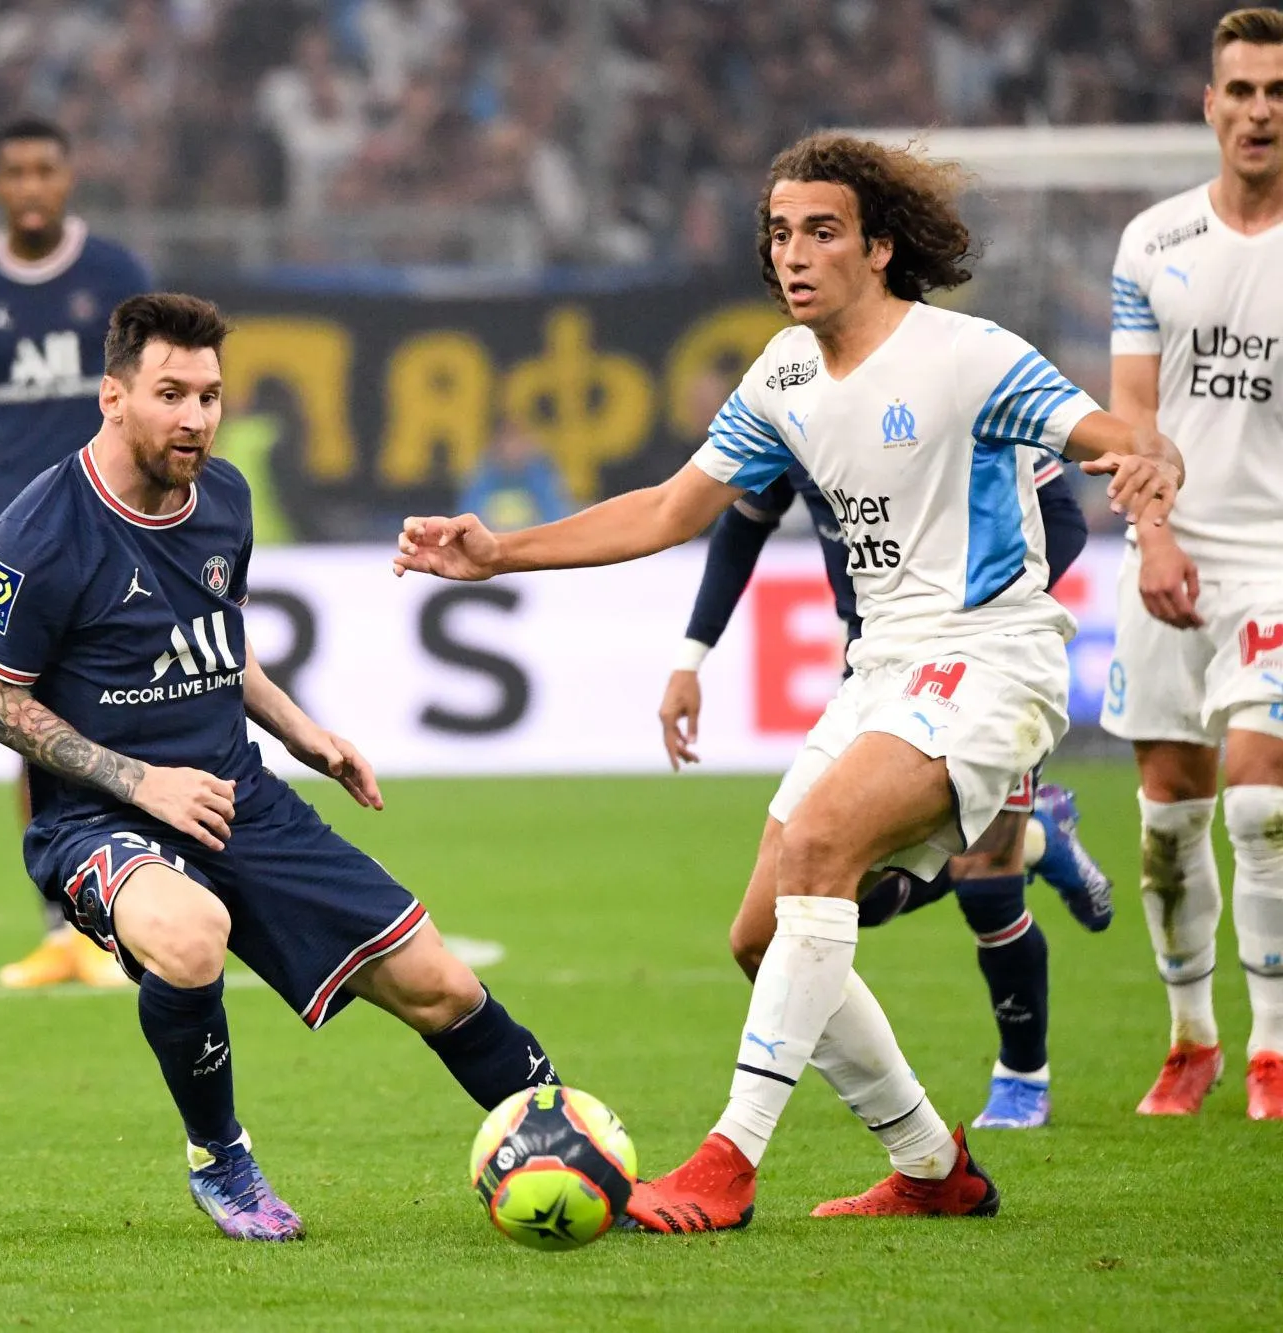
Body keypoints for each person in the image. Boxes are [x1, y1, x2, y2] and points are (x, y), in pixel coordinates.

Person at [395, 132, 1183, 1231]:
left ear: (876, 245)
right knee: (760, 935)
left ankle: (728, 1159)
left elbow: (1106, 435)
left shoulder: (968, 355)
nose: (793, 254)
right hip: (880, 669)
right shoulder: (781, 371)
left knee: (818, 847)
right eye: (778, 233)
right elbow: (670, 511)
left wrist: (1145, 485)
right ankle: (926, 1163)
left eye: (819, 231)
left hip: (992, 653)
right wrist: (498, 551)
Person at [0, 293, 563, 1241]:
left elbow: (220, 648)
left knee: (441, 986)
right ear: (113, 398)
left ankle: (568, 1145)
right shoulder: (40, 533)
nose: (197, 417)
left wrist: (304, 732)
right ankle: (221, 1159)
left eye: (209, 394)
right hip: (99, 818)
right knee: (193, 931)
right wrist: (139, 781)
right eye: (172, 393)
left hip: (240, 795)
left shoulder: (228, 499)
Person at [655, 452, 1114, 1131]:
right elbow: (738, 526)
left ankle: (1022, 1077)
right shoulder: (795, 399)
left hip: (979, 663)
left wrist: (988, 609)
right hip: (873, 666)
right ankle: (1040, 833)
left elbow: (1065, 519)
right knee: (833, 899)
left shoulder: (960, 373)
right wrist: (691, 658)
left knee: (989, 883)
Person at [0, 116, 150, 990]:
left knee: (138, 709)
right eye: (16, 172)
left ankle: (143, 906)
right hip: (22, 535)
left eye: (47, 168)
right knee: (28, 726)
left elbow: (161, 394)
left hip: (118, 525)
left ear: (69, 176)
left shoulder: (115, 275)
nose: (33, 186)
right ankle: (66, 930)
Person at [1102, 7, 1283, 1120]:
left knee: (1260, 803)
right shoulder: (1152, 243)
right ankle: (1190, 1038)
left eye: (1278, 92)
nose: (1259, 111)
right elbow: (1131, 413)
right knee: (1168, 817)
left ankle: (1271, 1047)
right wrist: (1152, 533)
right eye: (1243, 91)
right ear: (1206, 105)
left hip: (1275, 563)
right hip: (1170, 549)